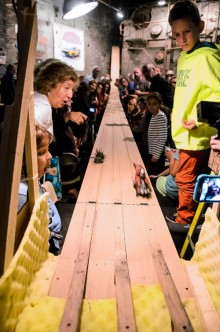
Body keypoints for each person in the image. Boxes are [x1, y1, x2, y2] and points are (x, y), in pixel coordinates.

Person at [165, 0, 220, 225]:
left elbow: (218, 95)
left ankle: (184, 221)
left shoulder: (207, 56)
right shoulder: (184, 56)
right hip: (183, 134)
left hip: (195, 135)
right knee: (182, 179)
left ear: (201, 26)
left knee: (186, 180)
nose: (182, 40)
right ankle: (186, 216)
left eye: (187, 31)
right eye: (176, 34)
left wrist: (197, 119)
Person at [18, 125, 62, 255]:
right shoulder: (23, 195)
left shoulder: (30, 180)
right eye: (41, 152)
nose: (50, 156)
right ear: (20, 159)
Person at [146, 92, 168, 175]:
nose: (151, 106)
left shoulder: (160, 116)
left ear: (160, 104)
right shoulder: (154, 115)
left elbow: (162, 137)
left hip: (157, 153)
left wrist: (156, 155)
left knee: (154, 173)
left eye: (154, 104)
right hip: (153, 150)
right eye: (149, 104)